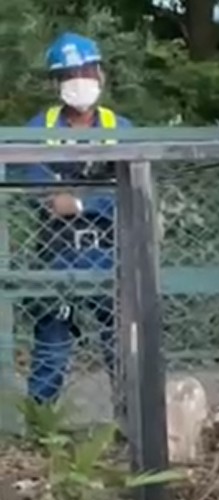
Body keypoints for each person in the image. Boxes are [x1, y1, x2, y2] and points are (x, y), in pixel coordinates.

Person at [16, 31, 134, 406]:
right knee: (52, 336)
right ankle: (42, 424)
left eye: (84, 70)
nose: (78, 80)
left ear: (100, 73)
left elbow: (132, 191)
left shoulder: (121, 128)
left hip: (109, 249)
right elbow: (38, 185)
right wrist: (87, 193)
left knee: (121, 339)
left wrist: (81, 203)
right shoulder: (42, 126)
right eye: (68, 74)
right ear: (56, 82)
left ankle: (132, 417)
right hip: (59, 250)